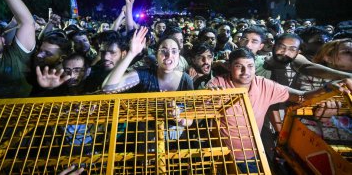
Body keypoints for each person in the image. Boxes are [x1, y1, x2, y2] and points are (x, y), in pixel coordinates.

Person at [207, 48, 352, 173]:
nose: (246, 71)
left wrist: (327, 88)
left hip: (250, 155)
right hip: (220, 154)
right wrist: (210, 95)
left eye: (250, 66)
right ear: (229, 67)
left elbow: (301, 96)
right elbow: (203, 106)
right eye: (239, 66)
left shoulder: (264, 85)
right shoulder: (218, 83)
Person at [102, 27, 193, 95]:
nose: (169, 55)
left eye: (174, 51)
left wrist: (180, 119)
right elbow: (108, 88)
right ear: (156, 54)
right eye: (163, 51)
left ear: (179, 55)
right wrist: (132, 53)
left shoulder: (186, 80)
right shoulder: (145, 75)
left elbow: (190, 118)